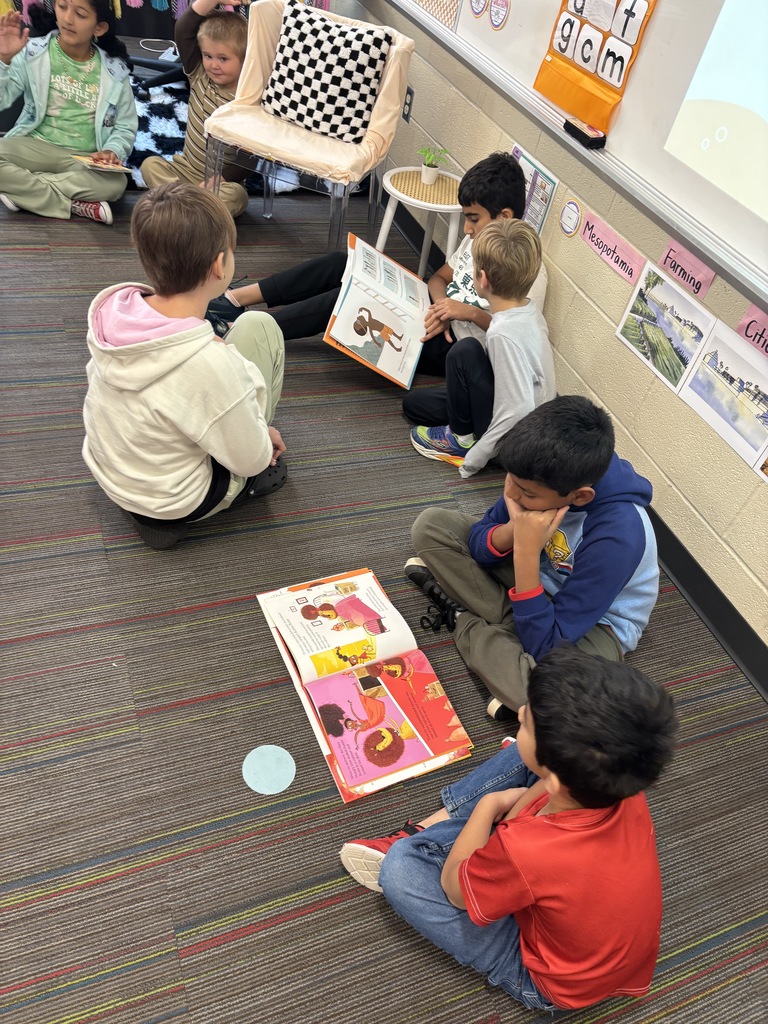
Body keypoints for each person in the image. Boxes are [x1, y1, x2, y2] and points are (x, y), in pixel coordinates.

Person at [339, 647, 678, 1013]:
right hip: (603, 951)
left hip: (546, 982)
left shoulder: (527, 850)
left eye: (527, 718)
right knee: (524, 755)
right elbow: (536, 798)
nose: (519, 711)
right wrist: (516, 799)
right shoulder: (626, 790)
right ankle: (435, 826)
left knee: (401, 868)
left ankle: (420, 837)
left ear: (557, 779)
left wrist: (488, 807)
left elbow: (455, 892)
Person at [405, 395, 659, 718]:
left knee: (552, 699)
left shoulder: (619, 534)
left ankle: (463, 620)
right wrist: (513, 532)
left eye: (526, 493)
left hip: (597, 625)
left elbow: (551, 646)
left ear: (579, 496)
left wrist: (525, 554)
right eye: (511, 480)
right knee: (431, 527)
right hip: (538, 581)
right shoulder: (533, 475)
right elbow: (478, 543)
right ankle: (510, 635)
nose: (511, 495)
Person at [81, 182, 287, 550]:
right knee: (262, 328)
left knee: (247, 334)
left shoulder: (117, 313)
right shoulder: (207, 364)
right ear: (220, 265)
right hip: (175, 500)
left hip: (113, 470)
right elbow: (250, 457)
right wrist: (260, 433)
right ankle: (206, 502)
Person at [206, 152, 547, 350]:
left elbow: (514, 338)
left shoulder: (527, 265)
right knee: (343, 263)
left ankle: (247, 333)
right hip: (434, 313)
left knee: (349, 300)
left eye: (474, 219)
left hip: (454, 345)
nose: (468, 229)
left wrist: (467, 313)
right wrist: (443, 303)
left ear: (504, 216)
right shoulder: (478, 240)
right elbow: (439, 277)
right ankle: (236, 301)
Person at [410, 219, 555, 474]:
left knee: (464, 351)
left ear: (483, 278)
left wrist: (474, 460)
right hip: (530, 416)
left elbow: (516, 409)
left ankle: (462, 441)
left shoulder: (501, 333)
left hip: (514, 439)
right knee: (415, 404)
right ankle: (466, 432)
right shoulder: (529, 311)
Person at [0, 1, 137, 224]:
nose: (67, 19)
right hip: (35, 146)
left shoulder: (115, 72)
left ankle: (27, 191)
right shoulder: (33, 52)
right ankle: (73, 204)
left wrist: (113, 149)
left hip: (84, 159)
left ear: (99, 28)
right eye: (62, 7)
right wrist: (3, 59)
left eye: (80, 14)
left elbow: (125, 126)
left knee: (116, 184)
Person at [140, 0, 249, 218]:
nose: (213, 65)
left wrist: (223, 178)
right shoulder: (198, 75)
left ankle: (177, 204)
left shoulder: (248, 99)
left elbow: (249, 157)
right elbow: (183, 30)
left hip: (218, 183)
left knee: (237, 196)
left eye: (223, 58)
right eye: (208, 56)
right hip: (184, 171)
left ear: (245, 60)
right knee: (149, 165)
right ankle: (195, 208)